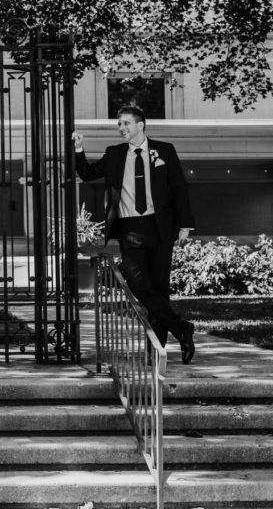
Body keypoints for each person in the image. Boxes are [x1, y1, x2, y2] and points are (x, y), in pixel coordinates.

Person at [71, 106, 197, 363]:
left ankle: (156, 351)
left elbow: (179, 188)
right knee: (139, 284)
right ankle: (182, 328)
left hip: (160, 227)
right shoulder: (115, 154)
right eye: (119, 124)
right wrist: (79, 149)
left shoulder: (164, 150)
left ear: (141, 125)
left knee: (159, 290)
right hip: (130, 229)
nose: (122, 128)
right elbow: (86, 174)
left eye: (126, 123)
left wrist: (185, 225)